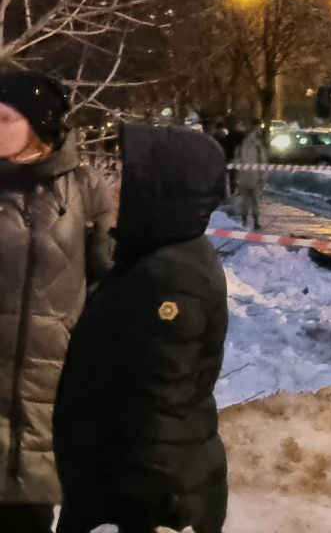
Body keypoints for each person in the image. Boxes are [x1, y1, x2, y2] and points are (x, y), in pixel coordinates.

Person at [54, 123, 229, 533]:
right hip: (124, 487)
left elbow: (161, 404)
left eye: (127, 179)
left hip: (140, 501)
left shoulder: (170, 280)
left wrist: (143, 510)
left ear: (164, 191)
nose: (114, 188)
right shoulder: (158, 258)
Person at [0, 71, 115, 533]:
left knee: (27, 516)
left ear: (40, 126)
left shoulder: (85, 189)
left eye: (5, 118)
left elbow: (109, 277)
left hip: (48, 388)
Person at [232, 121, 267, 230]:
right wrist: (263, 177)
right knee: (254, 201)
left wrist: (236, 177)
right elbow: (263, 163)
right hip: (254, 178)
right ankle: (254, 221)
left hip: (243, 178)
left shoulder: (241, 146)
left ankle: (244, 221)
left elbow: (236, 162)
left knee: (245, 201)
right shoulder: (257, 146)